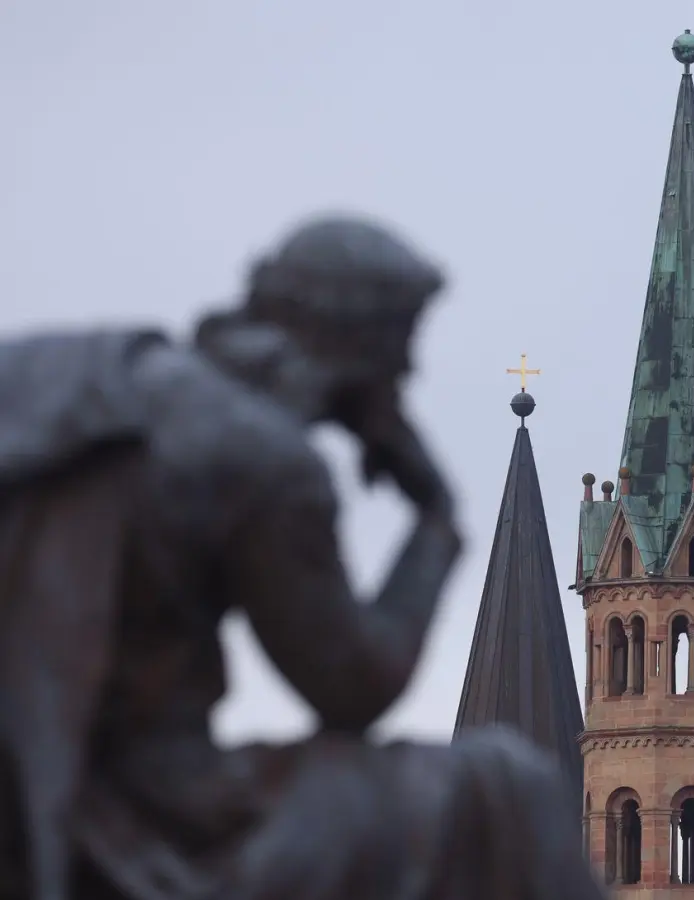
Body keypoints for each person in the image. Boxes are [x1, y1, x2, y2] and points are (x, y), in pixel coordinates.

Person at [0, 216, 606, 900]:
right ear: (354, 344)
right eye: (400, 347)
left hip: (47, 772)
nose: (407, 372)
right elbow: (353, 688)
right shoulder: (266, 460)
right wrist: (434, 520)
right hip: (153, 808)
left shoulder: (86, 372)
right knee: (506, 790)